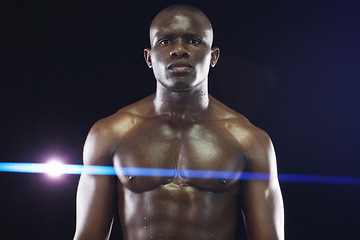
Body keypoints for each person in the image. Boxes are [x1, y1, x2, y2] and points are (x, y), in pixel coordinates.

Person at [73, 4, 284, 240]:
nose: (179, 50)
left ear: (213, 56)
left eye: (193, 40)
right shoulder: (110, 133)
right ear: (149, 57)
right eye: (165, 41)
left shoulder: (249, 140)